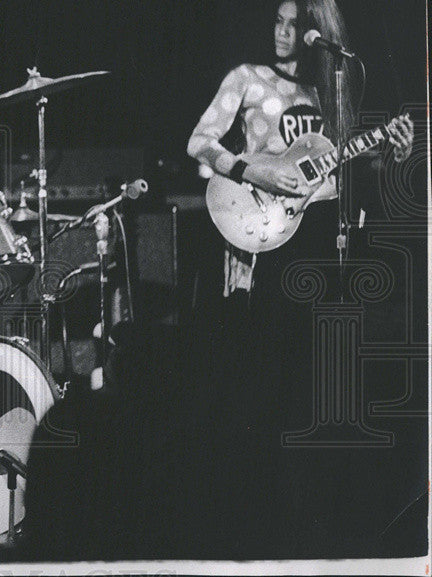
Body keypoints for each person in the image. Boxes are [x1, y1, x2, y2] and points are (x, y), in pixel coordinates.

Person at [184, 0, 414, 555]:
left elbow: (346, 168)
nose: (282, 32)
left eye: (295, 24)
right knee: (271, 374)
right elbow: (200, 142)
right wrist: (252, 166)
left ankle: (325, 518)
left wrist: (393, 155)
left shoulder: (331, 89)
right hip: (269, 235)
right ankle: (262, 520)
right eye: (278, 22)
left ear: (319, 33)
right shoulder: (246, 78)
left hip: (326, 239)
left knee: (324, 382)